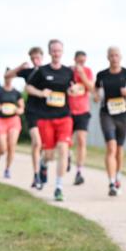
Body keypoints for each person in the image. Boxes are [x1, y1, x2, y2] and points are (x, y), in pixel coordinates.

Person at [23, 39, 76, 202]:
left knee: (63, 149)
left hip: (64, 116)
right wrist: (41, 93)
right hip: (46, 117)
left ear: (62, 52)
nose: (56, 53)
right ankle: (44, 163)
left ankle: (59, 187)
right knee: (49, 154)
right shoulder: (42, 71)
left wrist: (72, 90)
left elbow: (71, 87)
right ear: (49, 52)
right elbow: (28, 88)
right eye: (53, 51)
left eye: (59, 51)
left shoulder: (68, 71)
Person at [93, 46, 126, 196]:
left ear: (120, 57)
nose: (114, 58)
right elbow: (95, 89)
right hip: (106, 113)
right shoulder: (102, 75)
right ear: (108, 57)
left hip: (123, 114)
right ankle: (111, 182)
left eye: (116, 55)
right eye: (111, 55)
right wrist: (96, 96)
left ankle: (118, 174)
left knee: (119, 149)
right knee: (111, 147)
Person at [7, 47, 47, 189]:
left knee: (45, 146)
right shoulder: (28, 72)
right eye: (32, 58)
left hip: (46, 112)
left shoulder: (48, 71)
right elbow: (7, 75)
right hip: (31, 111)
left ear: (42, 57)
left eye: (37, 57)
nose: (35, 60)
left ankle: (43, 165)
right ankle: (36, 175)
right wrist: (20, 67)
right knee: (37, 142)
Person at [0, 72, 25, 178]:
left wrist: (18, 110)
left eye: (11, 77)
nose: (8, 79)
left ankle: (7, 169)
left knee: (12, 145)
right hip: (1, 120)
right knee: (3, 147)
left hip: (13, 120)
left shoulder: (16, 93)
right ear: (4, 78)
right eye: (7, 77)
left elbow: (22, 108)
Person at [69, 50, 93, 185]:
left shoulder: (87, 71)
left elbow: (91, 87)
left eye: (83, 61)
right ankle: (67, 156)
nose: (81, 63)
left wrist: (82, 74)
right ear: (74, 59)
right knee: (66, 142)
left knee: (82, 141)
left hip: (83, 111)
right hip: (68, 111)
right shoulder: (67, 71)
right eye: (79, 61)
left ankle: (79, 172)